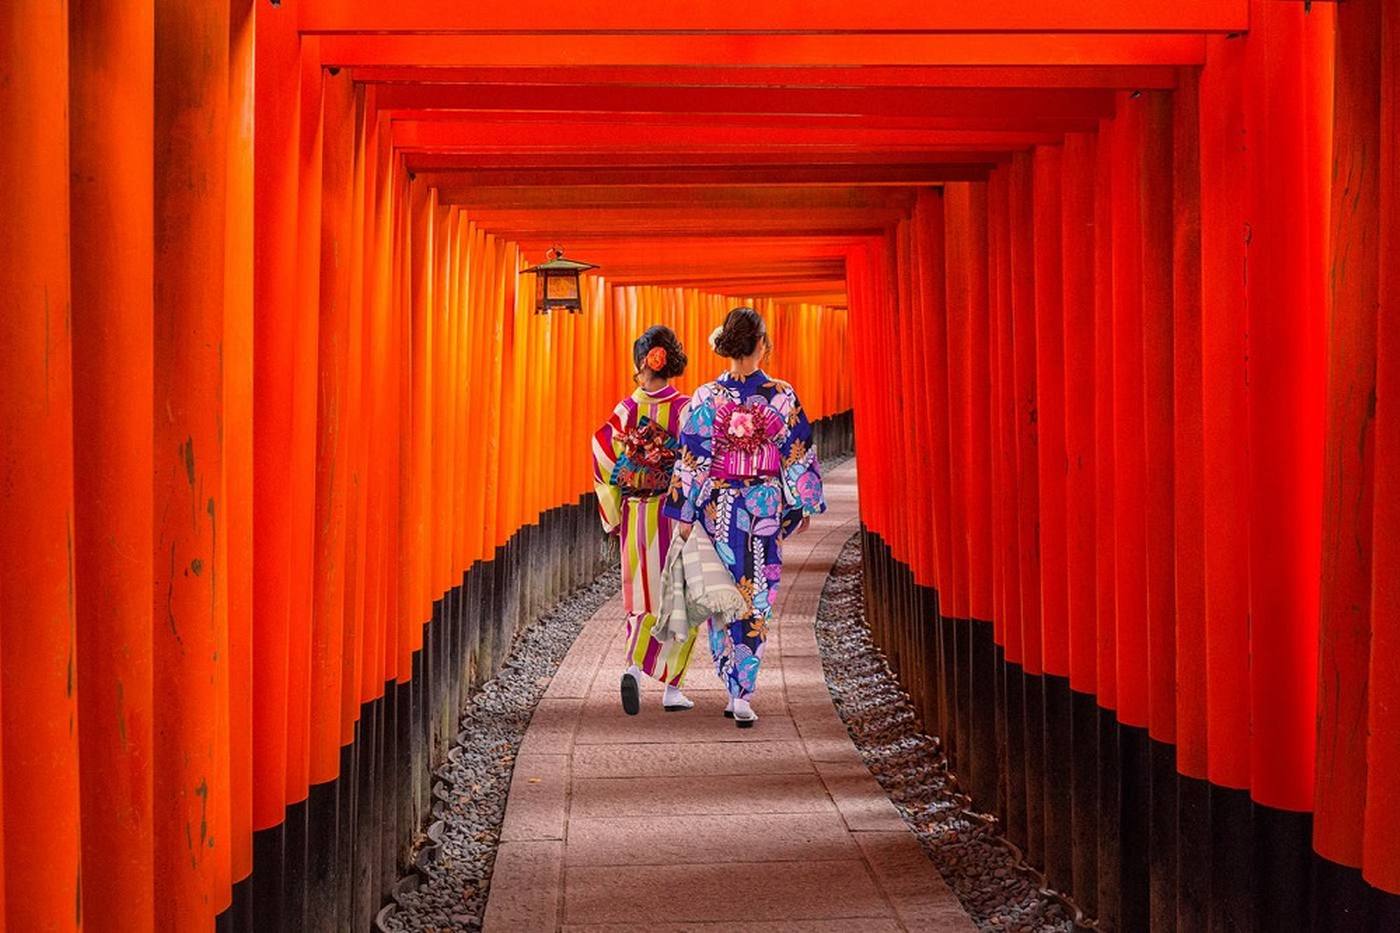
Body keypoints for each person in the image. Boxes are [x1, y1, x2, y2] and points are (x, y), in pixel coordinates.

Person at [664, 307, 826, 727]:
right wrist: (802, 501)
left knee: (725, 596)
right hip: (764, 505)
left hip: (719, 506)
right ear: (760, 345)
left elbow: (692, 458)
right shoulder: (781, 395)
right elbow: (798, 451)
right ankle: (742, 690)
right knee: (756, 597)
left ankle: (731, 682)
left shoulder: (705, 397)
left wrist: (686, 510)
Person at [591, 325, 701, 715]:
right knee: (681, 596)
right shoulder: (687, 408)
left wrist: (614, 512)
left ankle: (634, 668)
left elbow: (603, 456)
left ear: (642, 363)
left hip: (636, 512)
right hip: (675, 513)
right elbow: (696, 463)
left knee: (641, 591)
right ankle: (672, 689)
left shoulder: (625, 410)